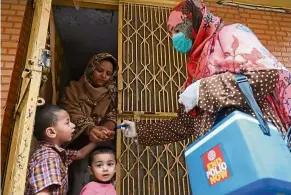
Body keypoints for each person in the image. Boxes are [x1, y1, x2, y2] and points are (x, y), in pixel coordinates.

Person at [120, 0, 291, 146]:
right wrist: (139, 130)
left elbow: (265, 75)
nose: (174, 38)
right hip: (219, 155)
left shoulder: (230, 34)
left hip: (254, 140)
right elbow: (184, 126)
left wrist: (203, 89)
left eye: (177, 30)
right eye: (171, 33)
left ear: (194, 22)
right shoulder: (195, 71)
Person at [59, 53, 118, 194]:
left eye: (109, 73)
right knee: (78, 179)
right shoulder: (74, 89)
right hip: (78, 142)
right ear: (91, 69)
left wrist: (105, 130)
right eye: (100, 70)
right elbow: (70, 111)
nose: (104, 76)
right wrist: (90, 128)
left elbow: (114, 114)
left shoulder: (112, 94)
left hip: (102, 143)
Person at [24, 105, 99, 195]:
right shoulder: (48, 158)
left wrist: (96, 141)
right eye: (67, 122)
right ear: (51, 132)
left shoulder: (56, 152)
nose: (73, 125)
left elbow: (80, 154)